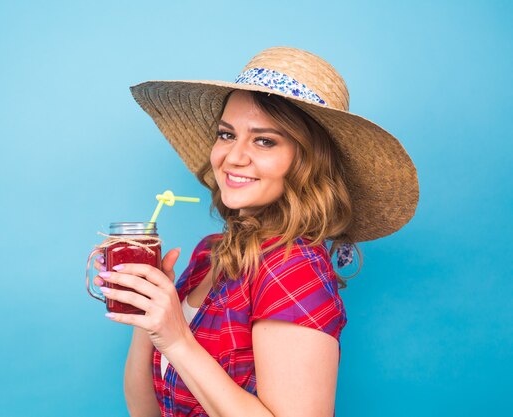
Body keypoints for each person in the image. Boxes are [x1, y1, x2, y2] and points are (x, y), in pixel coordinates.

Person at [89, 47, 418, 417]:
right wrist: (147, 312)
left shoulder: (293, 269)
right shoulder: (209, 254)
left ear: (307, 161)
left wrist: (177, 338)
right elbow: (145, 412)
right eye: (227, 135)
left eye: (264, 140)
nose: (233, 157)